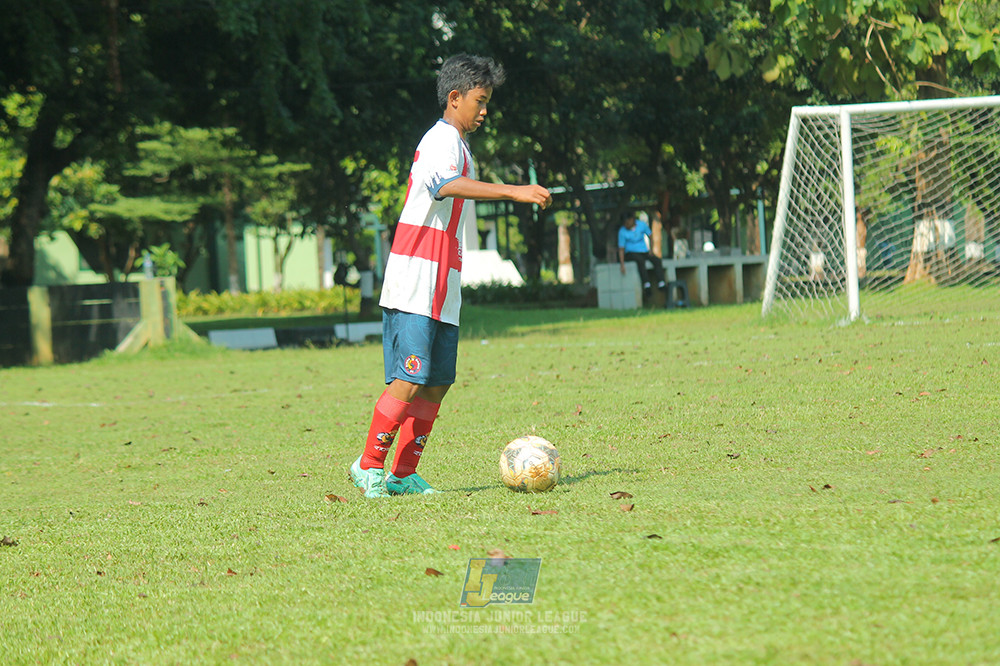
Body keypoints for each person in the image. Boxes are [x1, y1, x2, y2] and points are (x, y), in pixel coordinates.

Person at [349, 54, 552, 498]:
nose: (485, 111)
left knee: (438, 382)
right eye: (480, 101)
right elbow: (444, 185)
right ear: (454, 97)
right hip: (415, 279)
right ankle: (369, 466)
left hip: (443, 284)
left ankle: (403, 474)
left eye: (488, 102)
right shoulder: (440, 139)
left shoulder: (460, 146)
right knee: (410, 377)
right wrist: (513, 191)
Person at [617, 211, 665, 299]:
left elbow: (650, 236)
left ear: (632, 219)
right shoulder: (622, 232)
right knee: (640, 261)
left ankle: (661, 282)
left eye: (627, 222)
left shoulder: (642, 225)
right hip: (631, 253)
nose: (626, 225)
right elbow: (621, 249)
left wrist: (651, 249)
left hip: (643, 251)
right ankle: (646, 285)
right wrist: (622, 264)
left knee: (656, 260)